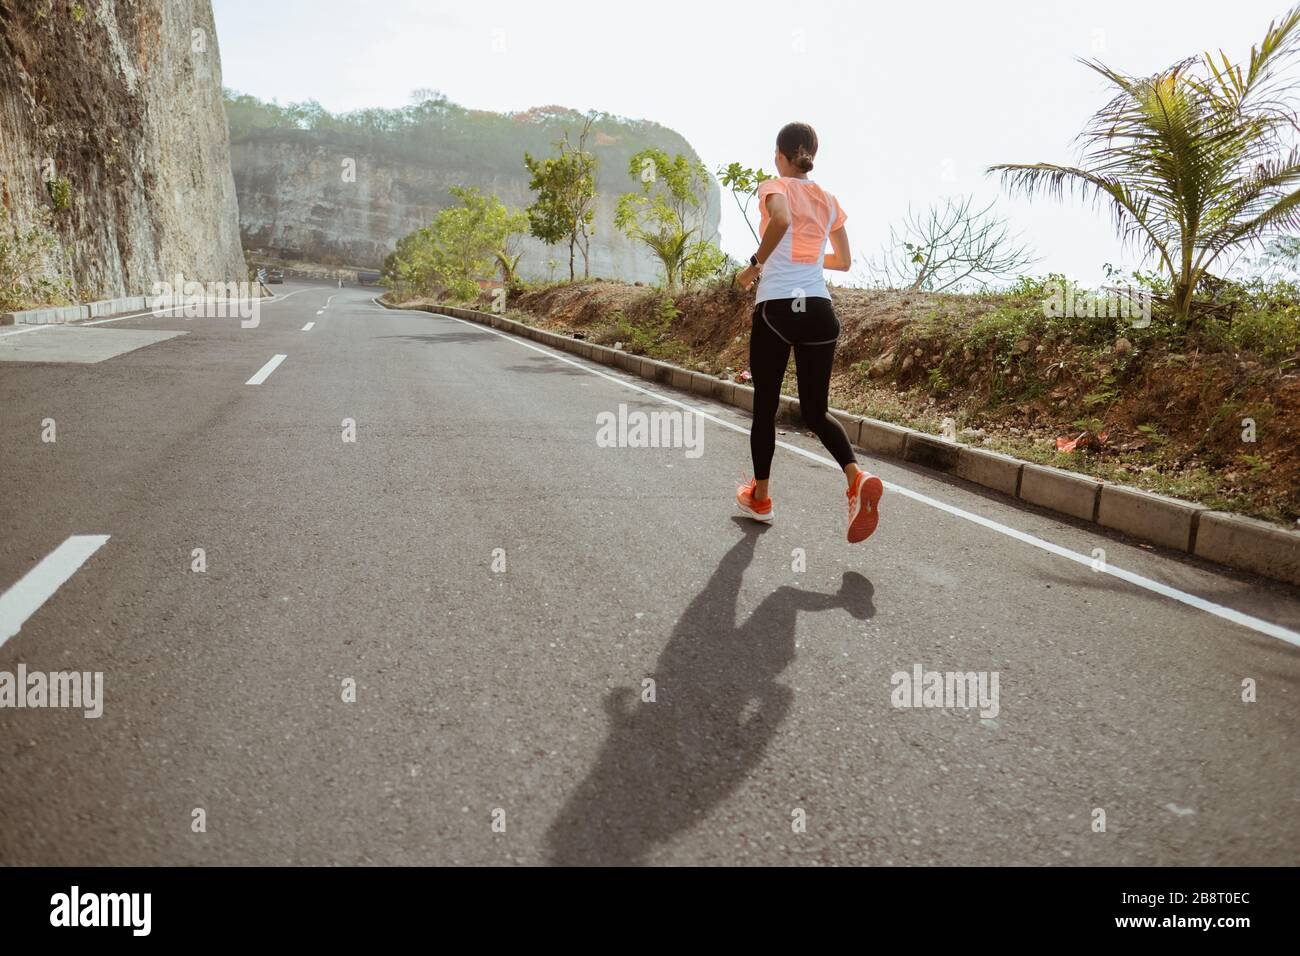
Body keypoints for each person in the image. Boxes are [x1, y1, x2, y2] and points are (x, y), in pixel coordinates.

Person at [733, 122, 883, 544]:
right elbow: (845, 261)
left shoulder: (774, 186)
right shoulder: (828, 199)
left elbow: (779, 220)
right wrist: (811, 258)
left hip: (778, 308)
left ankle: (760, 499)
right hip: (818, 309)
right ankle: (856, 476)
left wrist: (754, 265)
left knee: (765, 406)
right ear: (812, 155)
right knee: (815, 411)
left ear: (779, 154)